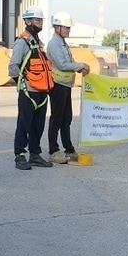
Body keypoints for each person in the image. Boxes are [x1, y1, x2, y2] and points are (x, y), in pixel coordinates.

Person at [8, 5, 54, 169]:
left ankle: (35, 154)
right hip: (29, 92)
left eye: (41, 20)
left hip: (42, 92)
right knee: (24, 124)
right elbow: (13, 66)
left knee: (38, 125)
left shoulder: (38, 42)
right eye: (36, 20)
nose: (39, 23)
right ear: (27, 21)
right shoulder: (22, 41)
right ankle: (19, 155)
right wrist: (21, 83)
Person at [45, 10, 90, 163]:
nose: (68, 30)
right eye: (66, 27)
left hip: (65, 85)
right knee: (57, 118)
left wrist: (79, 66)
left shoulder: (62, 43)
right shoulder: (54, 44)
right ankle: (53, 151)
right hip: (58, 85)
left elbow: (69, 61)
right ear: (57, 27)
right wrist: (81, 65)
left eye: (69, 28)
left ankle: (68, 149)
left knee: (66, 118)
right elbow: (63, 65)